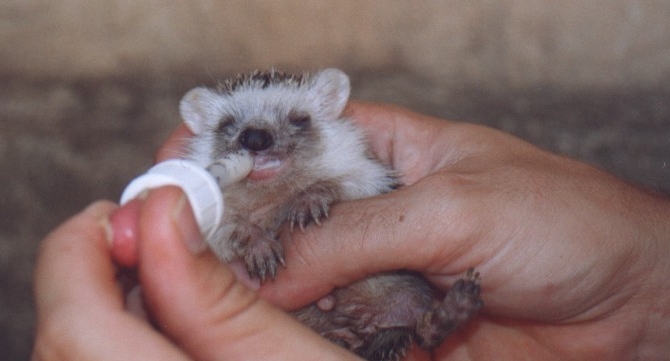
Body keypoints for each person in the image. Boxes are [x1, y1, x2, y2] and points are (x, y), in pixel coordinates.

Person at [32, 101, 670, 361]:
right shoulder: (214, 201)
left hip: (371, 304)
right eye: (235, 131)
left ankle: (426, 329)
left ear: (331, 119)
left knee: (407, 296)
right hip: (316, 328)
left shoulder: (342, 169)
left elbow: (351, 188)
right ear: (207, 140)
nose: (258, 139)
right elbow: (227, 244)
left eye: (293, 121)